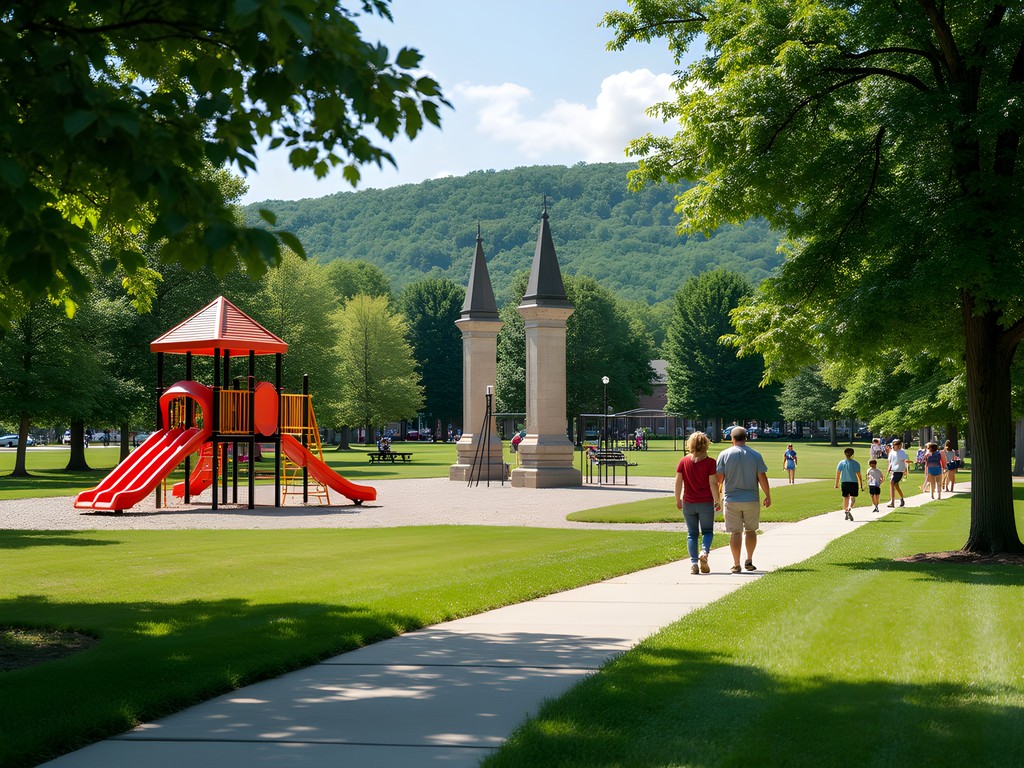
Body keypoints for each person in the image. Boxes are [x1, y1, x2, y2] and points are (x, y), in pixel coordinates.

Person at [716, 426, 771, 574]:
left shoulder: (724, 454)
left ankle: (736, 564)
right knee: (751, 530)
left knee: (735, 532)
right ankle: (749, 559)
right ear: (746, 438)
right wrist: (767, 495)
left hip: (731, 499)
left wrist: (716, 497)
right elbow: (762, 477)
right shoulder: (755, 454)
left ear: (731, 439)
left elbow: (719, 478)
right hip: (751, 498)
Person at [675, 432, 722, 575]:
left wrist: (678, 499)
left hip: (689, 501)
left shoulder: (683, 461)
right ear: (706, 445)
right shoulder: (710, 462)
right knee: (707, 531)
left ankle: (694, 563)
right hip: (705, 501)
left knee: (692, 534)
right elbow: (713, 483)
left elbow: (678, 482)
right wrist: (717, 500)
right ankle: (704, 552)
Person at [834, 447, 864, 521]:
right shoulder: (856, 463)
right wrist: (861, 484)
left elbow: (838, 474)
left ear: (845, 454)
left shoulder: (841, 463)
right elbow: (858, 475)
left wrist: (836, 484)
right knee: (852, 497)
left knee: (845, 497)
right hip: (853, 482)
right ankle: (849, 507)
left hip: (844, 482)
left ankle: (846, 510)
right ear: (852, 454)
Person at [886, 438, 909, 508]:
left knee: (892, 483)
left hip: (899, 470)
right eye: (895, 445)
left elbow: (905, 461)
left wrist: (906, 469)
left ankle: (892, 502)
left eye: (898, 445)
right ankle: (901, 498)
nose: (897, 446)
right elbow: (890, 462)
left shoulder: (902, 452)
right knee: (895, 485)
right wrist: (888, 470)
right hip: (893, 470)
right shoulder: (891, 452)